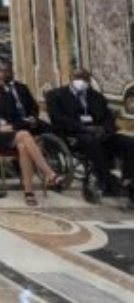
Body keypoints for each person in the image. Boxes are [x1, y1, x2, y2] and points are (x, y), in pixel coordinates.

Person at [0, 67, 60, 206]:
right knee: (25, 135)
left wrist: (12, 127)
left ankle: (29, 192)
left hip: (12, 134)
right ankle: (48, 172)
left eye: (0, 78)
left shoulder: (8, 96)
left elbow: (17, 119)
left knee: (23, 147)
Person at [47, 69, 132, 203]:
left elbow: (108, 117)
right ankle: (107, 181)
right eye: (78, 77)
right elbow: (57, 119)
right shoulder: (56, 95)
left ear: (89, 80)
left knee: (129, 142)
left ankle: (129, 179)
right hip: (74, 134)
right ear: (71, 78)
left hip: (100, 133)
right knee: (92, 142)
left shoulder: (97, 97)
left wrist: (103, 128)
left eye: (85, 78)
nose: (81, 81)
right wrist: (84, 128)